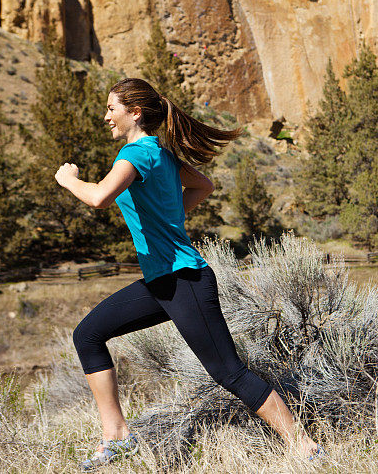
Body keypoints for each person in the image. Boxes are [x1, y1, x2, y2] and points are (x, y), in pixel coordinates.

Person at [54, 78, 322, 470]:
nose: (106, 115)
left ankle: (304, 444)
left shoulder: (135, 155)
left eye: (111, 108)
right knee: (88, 335)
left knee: (228, 373)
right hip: (161, 282)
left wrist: (69, 180)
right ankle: (117, 435)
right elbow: (204, 185)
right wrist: (169, 218)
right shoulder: (160, 154)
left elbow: (98, 197)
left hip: (185, 281)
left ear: (135, 112)